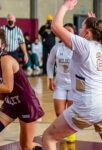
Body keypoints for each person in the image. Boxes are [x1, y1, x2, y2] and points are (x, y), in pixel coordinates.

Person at [42, 0, 102, 150]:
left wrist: (65, 7)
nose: (80, 30)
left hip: (87, 105)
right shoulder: (98, 46)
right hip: (100, 104)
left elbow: (56, 27)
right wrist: (93, 22)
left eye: (82, 27)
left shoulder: (85, 45)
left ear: (87, 33)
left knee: (48, 138)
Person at [47, 23, 77, 143]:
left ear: (74, 33)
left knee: (71, 113)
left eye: (70, 30)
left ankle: (71, 135)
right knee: (59, 112)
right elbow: (49, 63)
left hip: (74, 85)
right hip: (60, 84)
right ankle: (63, 132)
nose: (67, 32)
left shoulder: (77, 47)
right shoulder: (56, 47)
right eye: (64, 30)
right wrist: (50, 78)